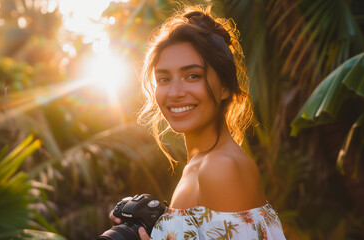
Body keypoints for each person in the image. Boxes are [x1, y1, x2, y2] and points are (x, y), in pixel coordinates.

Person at [110, 5, 286, 240]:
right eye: (164, 79)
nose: (175, 92)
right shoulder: (200, 166)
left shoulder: (220, 168)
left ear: (225, 86)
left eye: (192, 76)